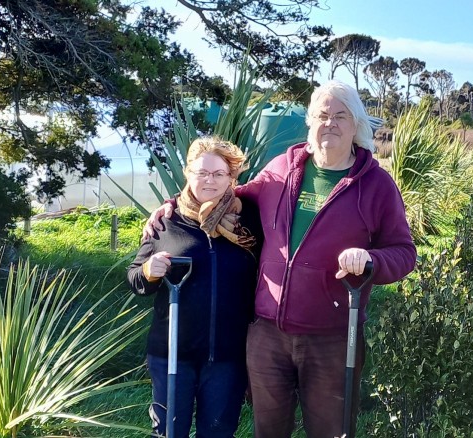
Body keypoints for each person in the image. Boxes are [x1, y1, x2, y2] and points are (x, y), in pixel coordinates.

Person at [143, 80, 416, 438]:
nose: (329, 123)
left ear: (356, 125)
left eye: (340, 116)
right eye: (322, 115)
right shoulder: (282, 168)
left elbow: (404, 252)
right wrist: (175, 207)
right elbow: (228, 194)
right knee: (268, 430)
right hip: (267, 334)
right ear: (309, 121)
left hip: (331, 335)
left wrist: (370, 260)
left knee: (330, 430)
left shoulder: (376, 184)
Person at [128, 137, 262, 438]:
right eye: (201, 173)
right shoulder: (166, 222)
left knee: (217, 432)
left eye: (218, 174)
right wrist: (149, 271)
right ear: (188, 173)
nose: (209, 181)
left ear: (232, 178)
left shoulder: (250, 220)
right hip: (172, 354)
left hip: (228, 357)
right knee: (169, 432)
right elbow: (135, 280)